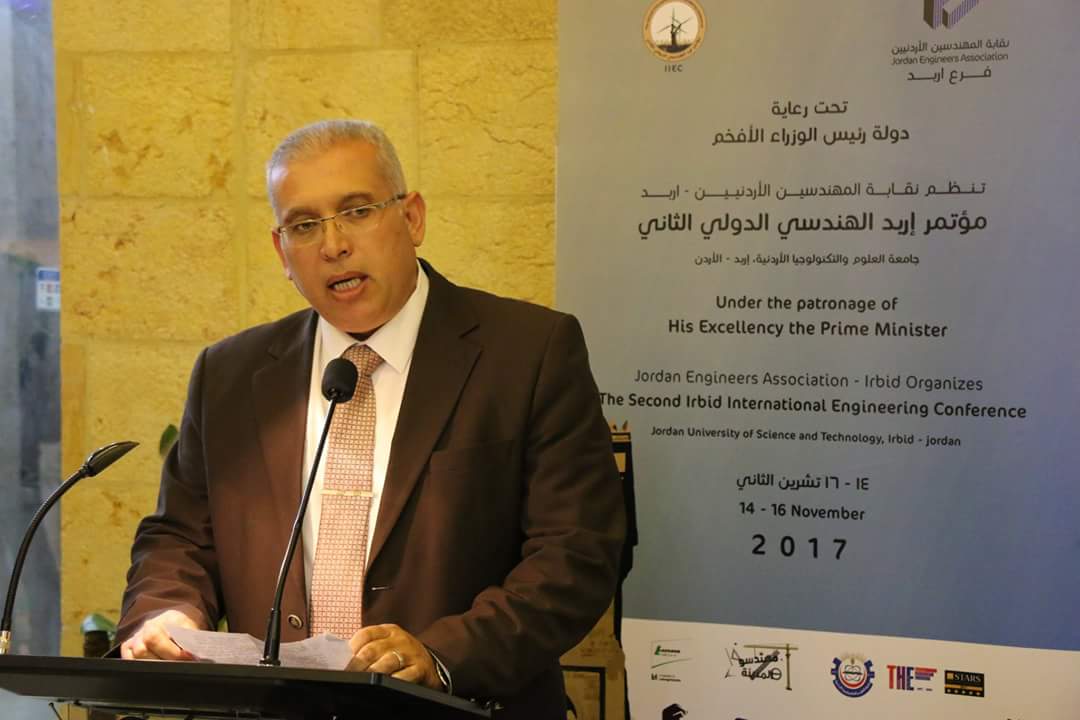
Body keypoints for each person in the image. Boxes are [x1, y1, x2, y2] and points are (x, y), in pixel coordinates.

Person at [115, 119, 625, 720]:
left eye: (357, 212)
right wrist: (168, 611)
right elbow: (180, 537)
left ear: (412, 218)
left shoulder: (529, 353)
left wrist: (442, 656)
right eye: (305, 225)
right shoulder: (229, 375)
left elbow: (575, 553)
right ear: (282, 252)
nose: (333, 245)